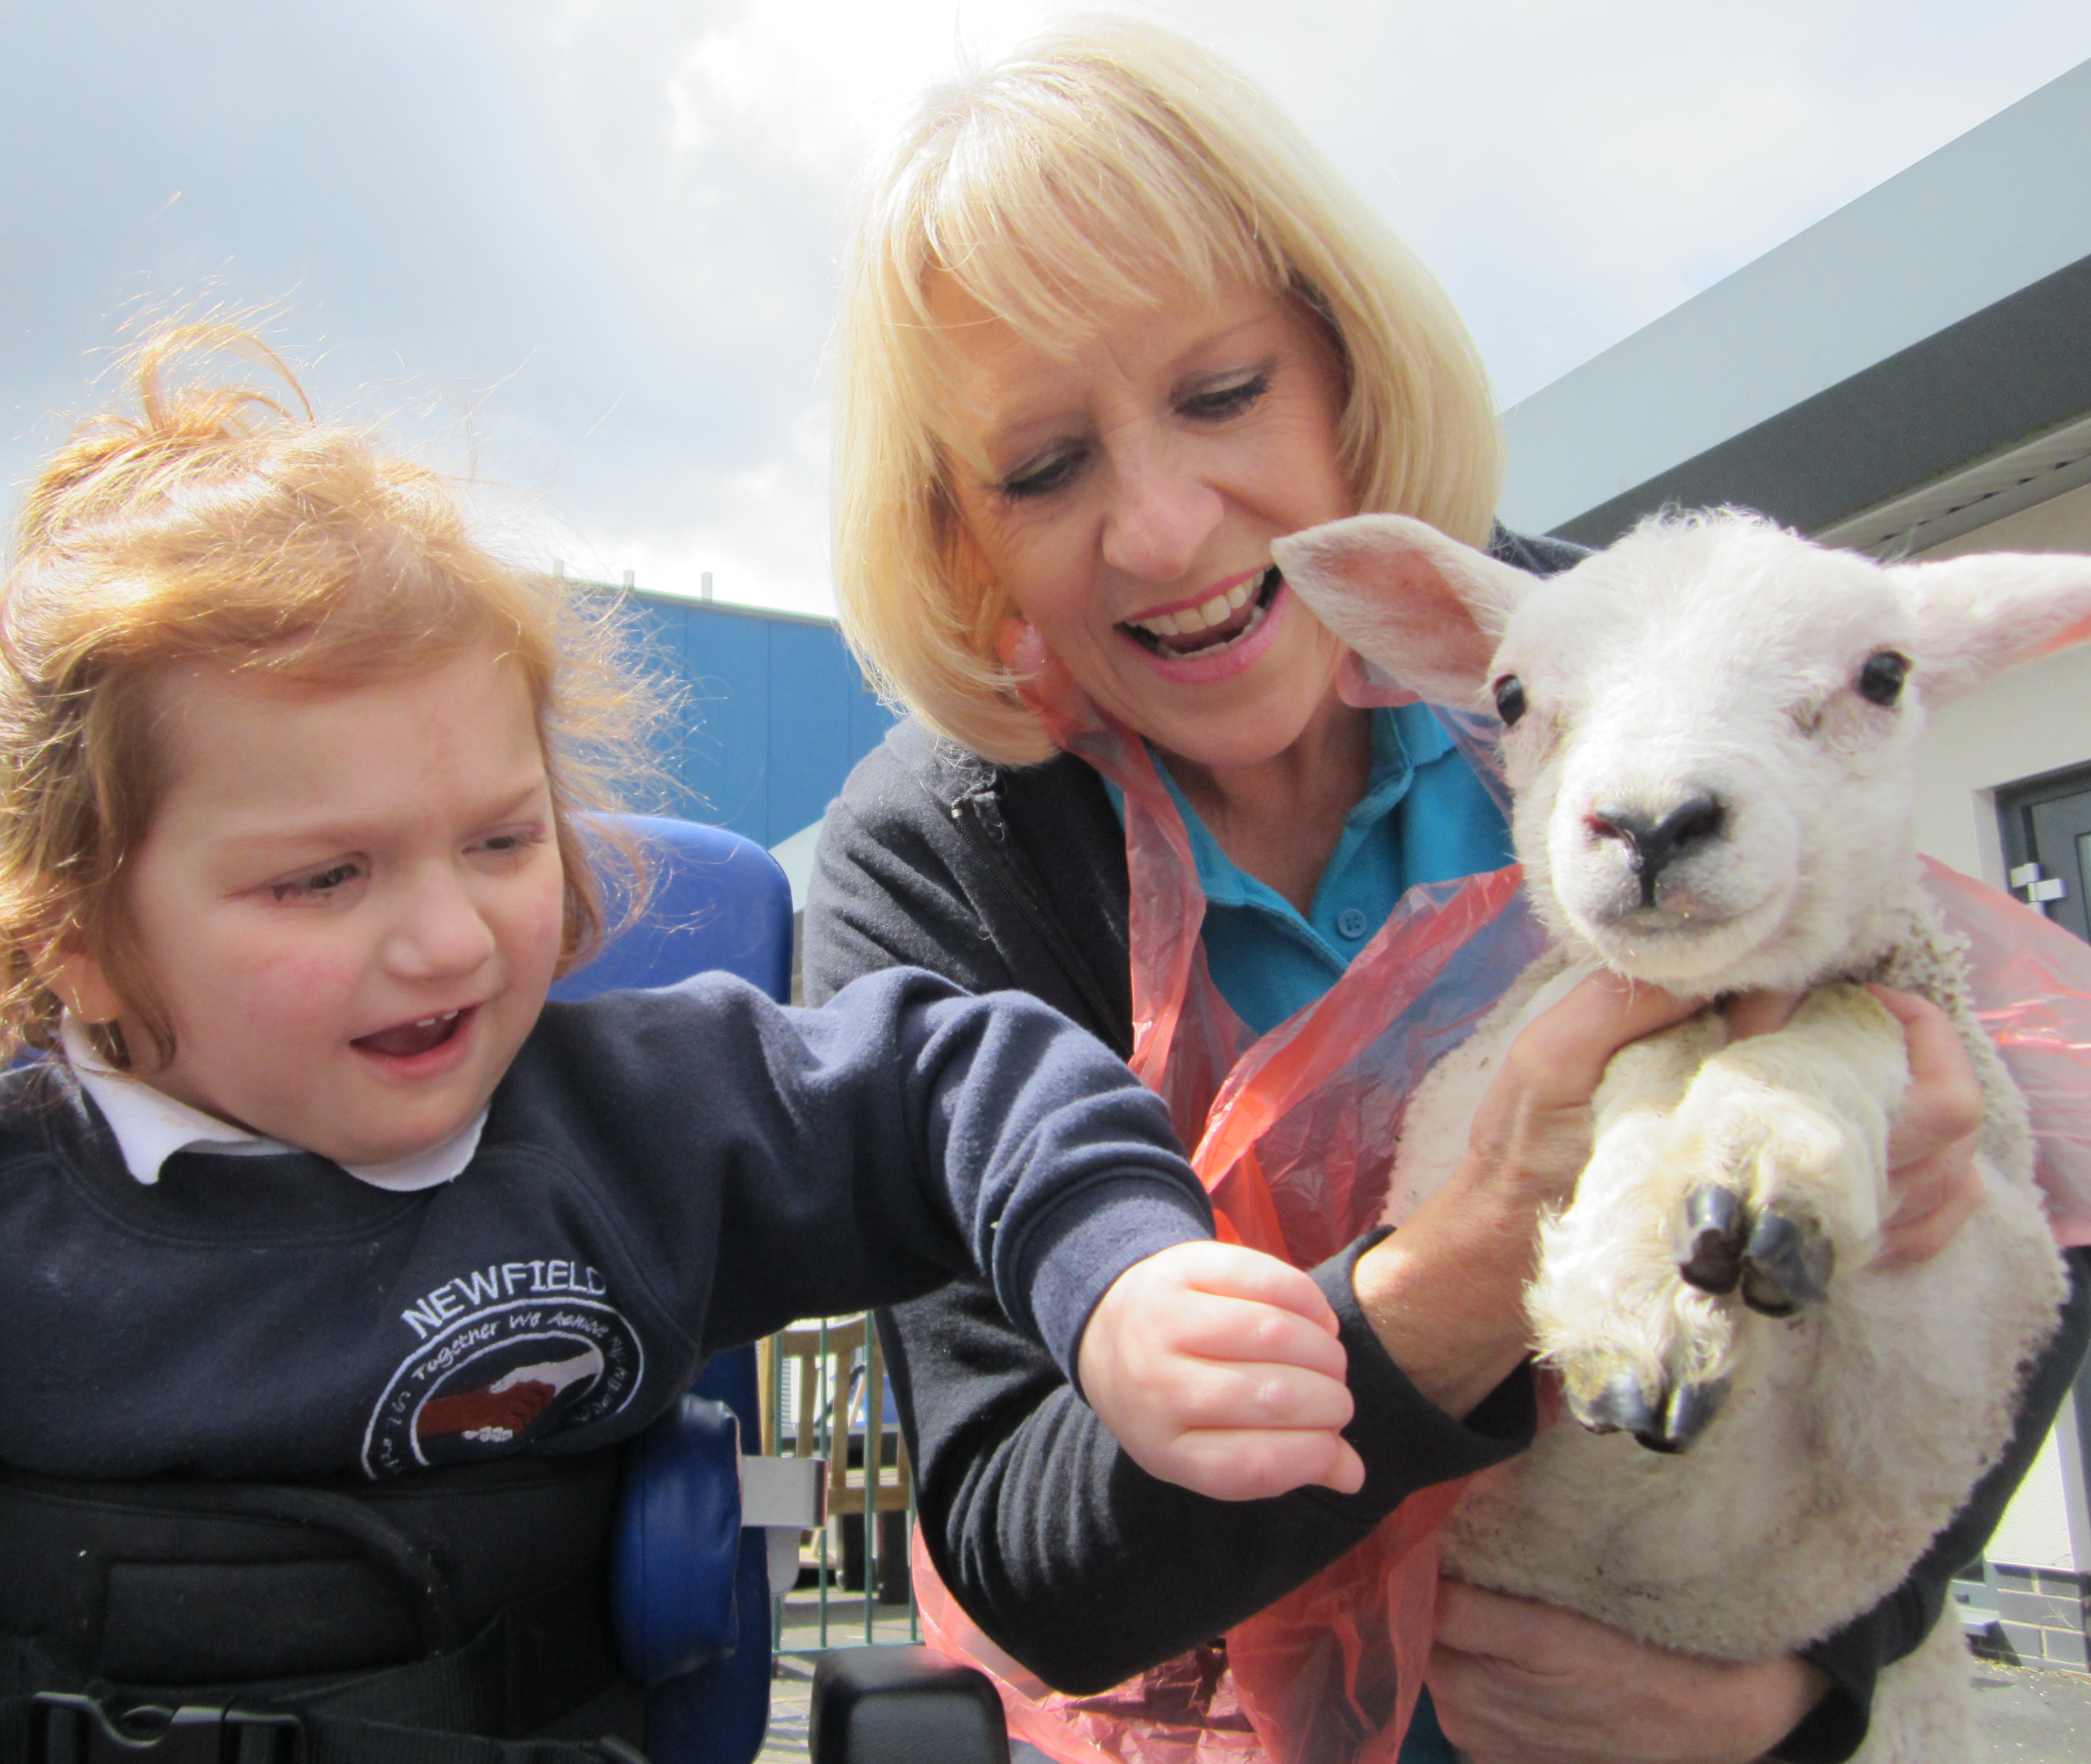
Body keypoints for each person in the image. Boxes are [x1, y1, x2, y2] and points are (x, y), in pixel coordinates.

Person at [0, 324, 1368, 1763]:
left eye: (503, 843)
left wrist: (1124, 1282)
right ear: (81, 932)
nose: (446, 936)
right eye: (325, 876)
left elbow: (961, 1080)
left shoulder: (634, 1127)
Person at [804, 20, 2091, 1764]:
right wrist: (1485, 1254)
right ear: (958, 531)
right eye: (1043, 469)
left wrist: (1799, 1688)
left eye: (1222, 391)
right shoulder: (942, 858)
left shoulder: (1627, 673)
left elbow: (2031, 1226)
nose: (1169, 530)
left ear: (1339, 360)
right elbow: (1028, 1542)